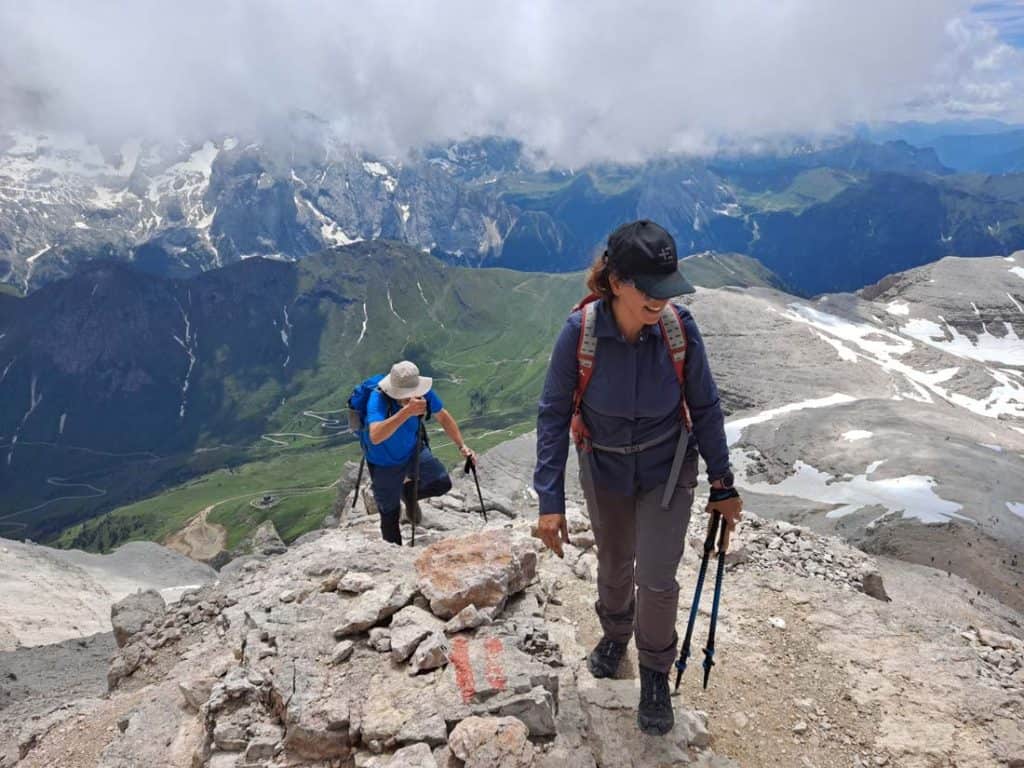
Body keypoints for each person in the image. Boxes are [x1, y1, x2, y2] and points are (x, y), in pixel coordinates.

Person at [533, 220, 743, 735]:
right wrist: (549, 500)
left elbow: (706, 407)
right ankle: (615, 633)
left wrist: (723, 483)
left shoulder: (679, 329)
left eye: (667, 288)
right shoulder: (579, 334)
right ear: (618, 282)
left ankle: (653, 671)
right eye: (651, 289)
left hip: (666, 470)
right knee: (613, 562)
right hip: (603, 467)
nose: (662, 301)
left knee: (655, 575)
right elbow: (553, 415)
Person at [366, 360, 476, 545]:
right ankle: (396, 562)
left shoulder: (423, 393)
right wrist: (406, 412)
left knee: (441, 482)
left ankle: (408, 493)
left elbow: (443, 416)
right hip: (383, 462)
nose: (411, 397)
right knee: (389, 516)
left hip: (412, 450)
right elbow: (375, 436)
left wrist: (462, 446)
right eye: (405, 395)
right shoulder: (377, 399)